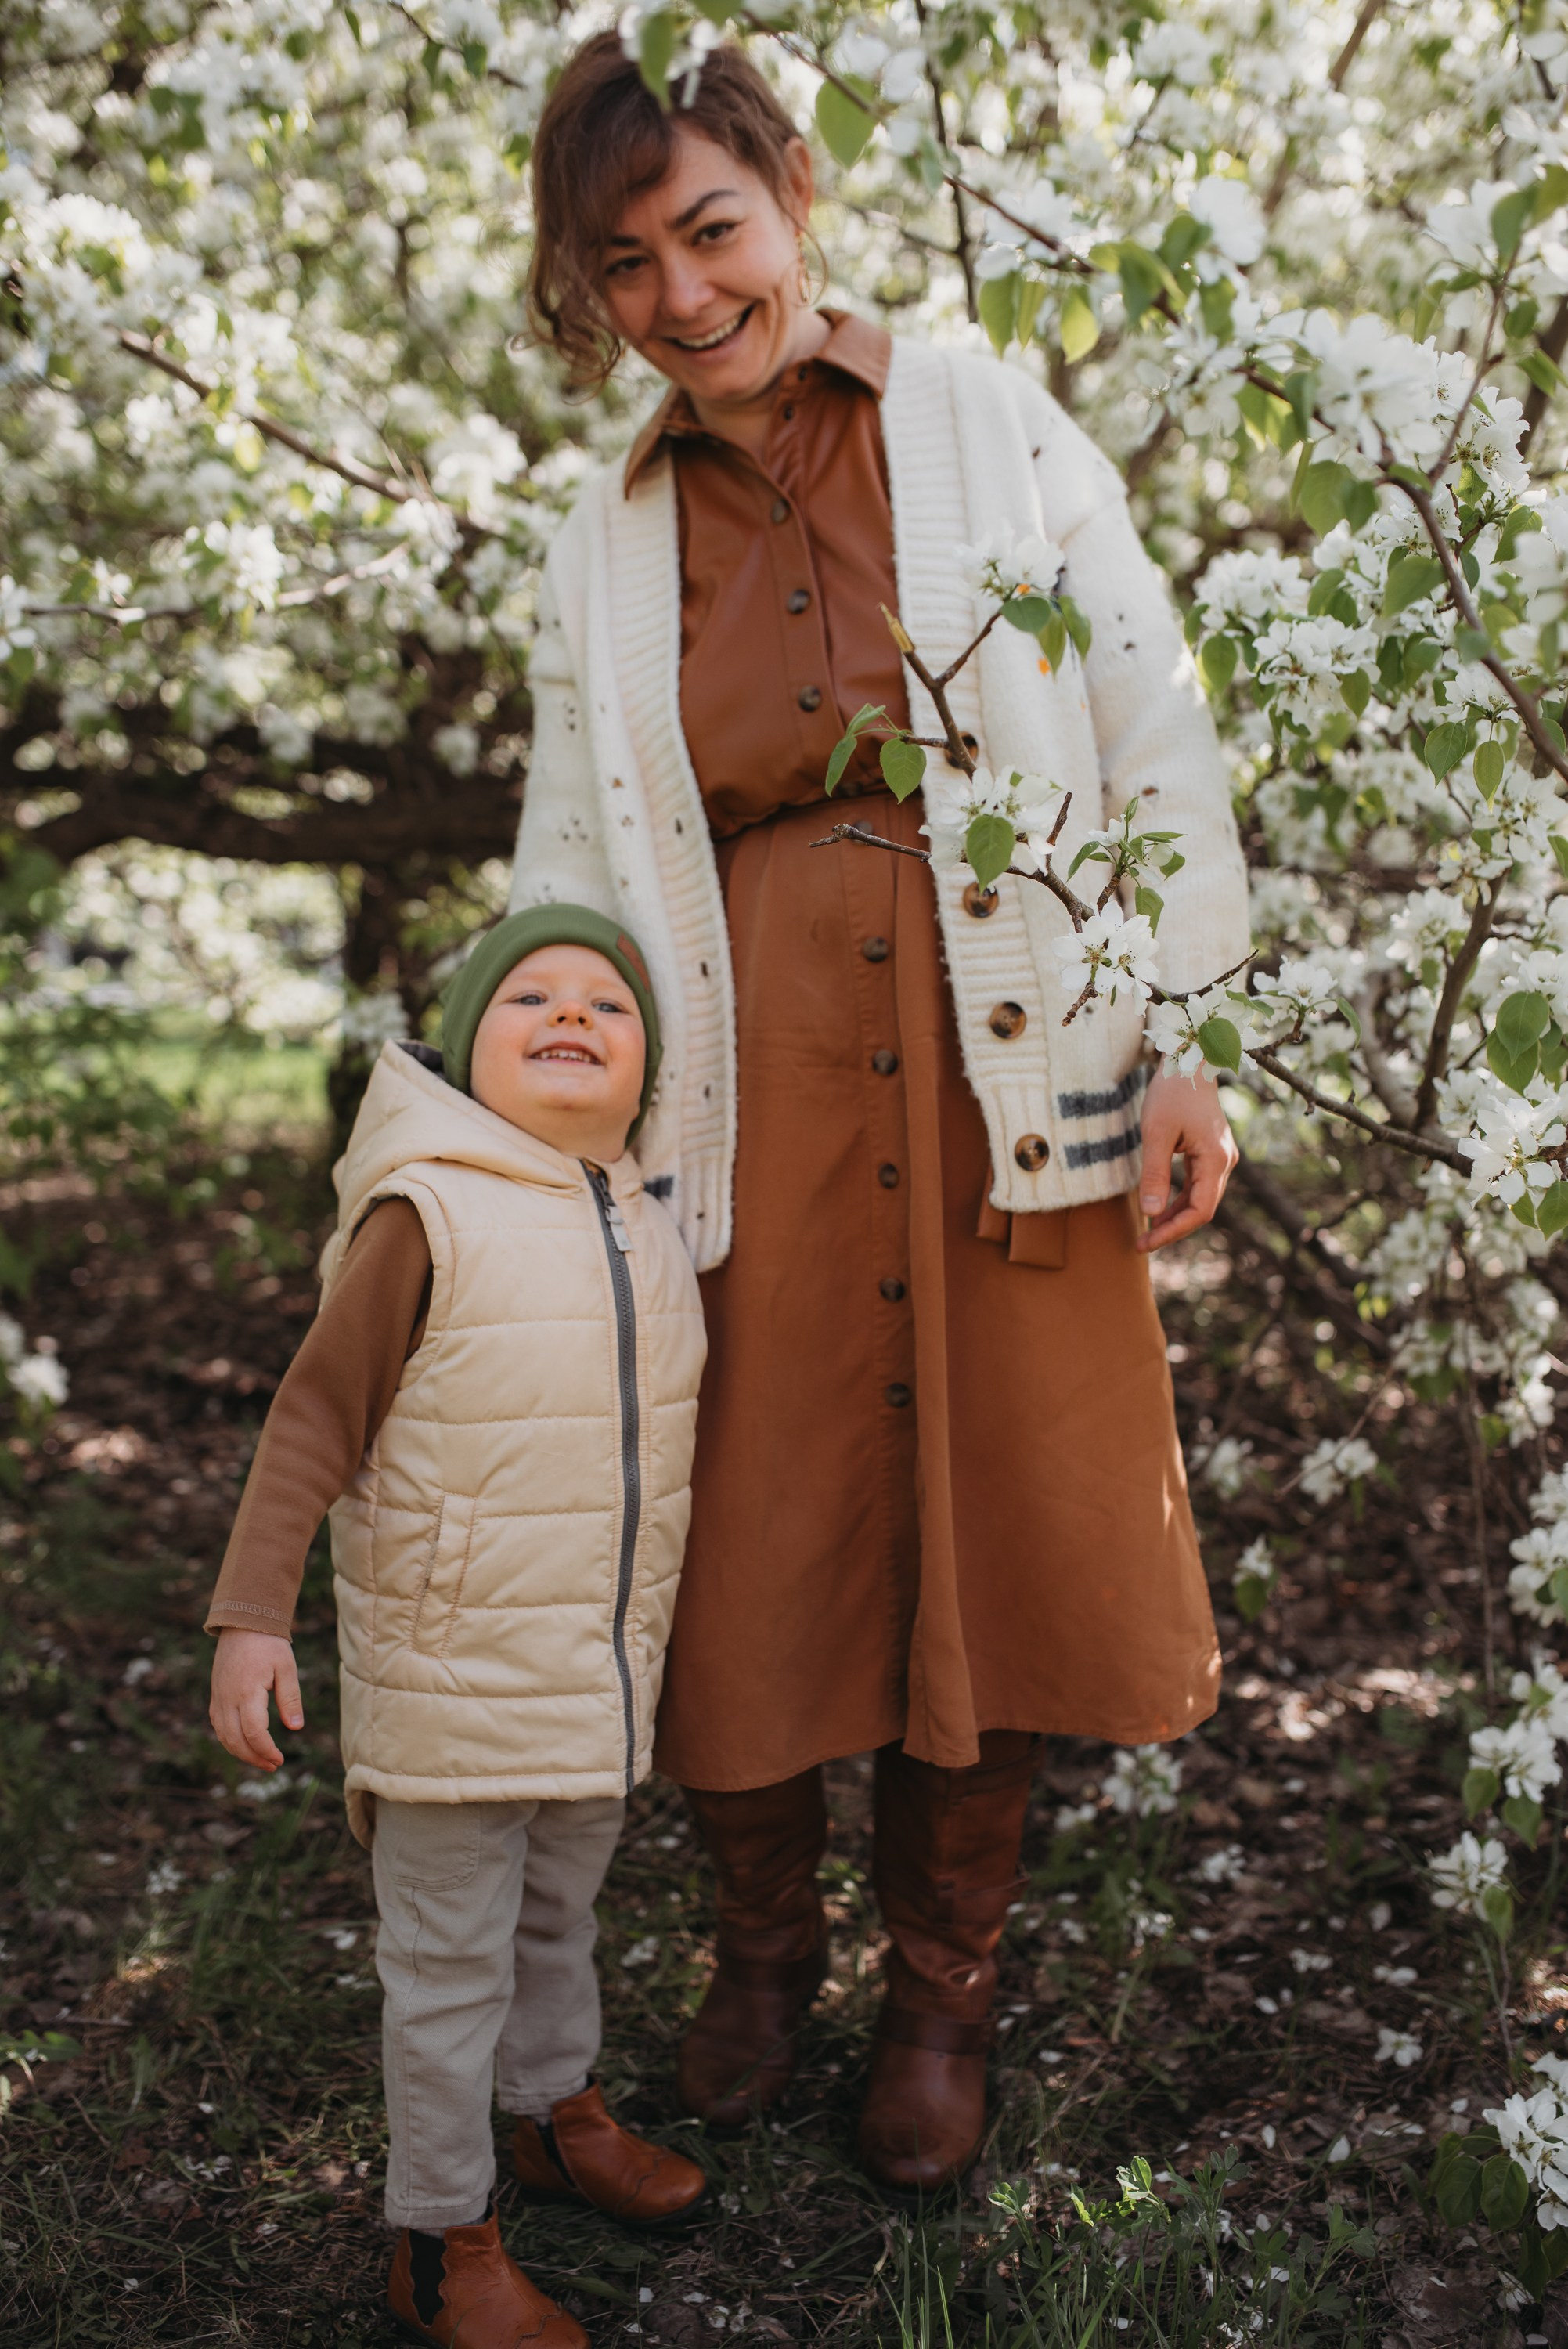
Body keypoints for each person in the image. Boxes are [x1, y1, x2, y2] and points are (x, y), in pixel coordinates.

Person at [514, 38, 1251, 2196]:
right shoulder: (604, 531)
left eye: (710, 228)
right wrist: (559, 1113)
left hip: (1000, 1045)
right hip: (739, 1079)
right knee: (740, 1522)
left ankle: (944, 1995)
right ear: (594, 291)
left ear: (794, 199)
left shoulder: (976, 417)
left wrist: (1175, 1028)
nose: (682, 289)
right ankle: (761, 1958)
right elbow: (571, 844)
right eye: (625, 260)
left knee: (992, 1523)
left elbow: (1141, 710)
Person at [204, 907, 709, 2348]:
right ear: (467, 1053)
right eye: (529, 998)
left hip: (590, 1676)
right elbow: (314, 1417)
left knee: (563, 1921)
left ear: (646, 1068)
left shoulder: (643, 1223)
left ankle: (552, 2114)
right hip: (448, 1678)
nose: (570, 1016)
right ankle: (440, 2234)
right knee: (447, 1970)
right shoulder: (427, 1212)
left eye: (607, 1005)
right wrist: (254, 1617)